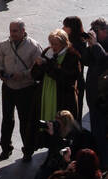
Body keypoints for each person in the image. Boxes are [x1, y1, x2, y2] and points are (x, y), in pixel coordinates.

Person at [0, 19, 41, 161]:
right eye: (11, 30)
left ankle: (27, 150)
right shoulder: (3, 45)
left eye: (15, 31)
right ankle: (5, 148)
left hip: (26, 88)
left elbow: (37, 68)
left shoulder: (34, 46)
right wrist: (1, 73)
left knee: (25, 120)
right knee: (7, 119)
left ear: (23, 31)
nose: (12, 34)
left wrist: (23, 75)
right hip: (8, 87)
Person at [33, 29, 83, 130]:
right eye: (51, 43)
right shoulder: (48, 51)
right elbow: (35, 75)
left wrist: (46, 65)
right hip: (45, 93)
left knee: (61, 128)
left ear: (64, 43)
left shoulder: (72, 55)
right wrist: (38, 66)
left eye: (56, 44)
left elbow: (66, 78)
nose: (53, 46)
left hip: (63, 97)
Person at [35, 110, 97, 179]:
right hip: (59, 160)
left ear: (65, 124)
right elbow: (45, 145)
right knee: (39, 177)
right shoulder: (59, 129)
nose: (56, 124)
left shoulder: (76, 134)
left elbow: (63, 150)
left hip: (71, 162)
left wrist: (54, 136)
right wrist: (47, 133)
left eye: (58, 123)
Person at [82, 18, 108, 169]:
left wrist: (95, 45)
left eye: (96, 31)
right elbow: (85, 61)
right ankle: (101, 163)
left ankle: (105, 165)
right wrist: (88, 45)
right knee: (97, 133)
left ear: (104, 31)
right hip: (93, 96)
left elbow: (104, 60)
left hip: (105, 98)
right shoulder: (94, 43)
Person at [63, 17, 89, 119]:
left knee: (75, 114)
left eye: (66, 26)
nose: (63, 28)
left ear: (72, 28)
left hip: (76, 83)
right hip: (68, 81)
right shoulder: (69, 39)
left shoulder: (79, 43)